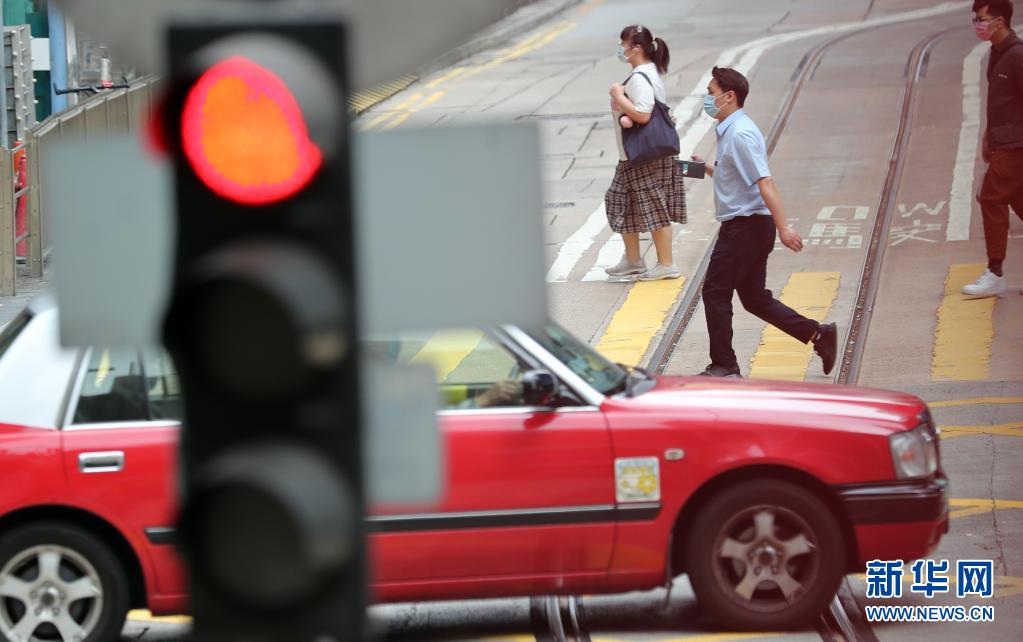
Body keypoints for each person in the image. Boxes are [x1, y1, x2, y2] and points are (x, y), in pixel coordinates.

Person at [691, 67, 836, 378]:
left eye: (711, 92)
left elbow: (764, 181)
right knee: (754, 299)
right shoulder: (731, 129)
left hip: (746, 227)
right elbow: (734, 175)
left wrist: (784, 227)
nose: (707, 98)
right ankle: (819, 334)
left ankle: (724, 364)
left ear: (729, 97)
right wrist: (704, 168)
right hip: (749, 226)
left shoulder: (739, 134)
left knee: (715, 292)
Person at [604, 24, 686, 281]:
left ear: (636, 48)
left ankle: (666, 264)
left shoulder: (640, 78)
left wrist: (618, 96)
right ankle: (633, 260)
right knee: (619, 201)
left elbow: (643, 113)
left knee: (654, 207)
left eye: (623, 44)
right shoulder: (643, 73)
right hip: (632, 155)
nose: (620, 48)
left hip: (645, 155)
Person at [962, 0, 1023, 298]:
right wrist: (989, 134)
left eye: (982, 19)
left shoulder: (1017, 56)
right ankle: (995, 272)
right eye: (975, 18)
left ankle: (995, 272)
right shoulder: (996, 52)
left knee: (991, 198)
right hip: (1004, 142)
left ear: (1000, 21)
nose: (977, 24)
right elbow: (1002, 103)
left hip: (1016, 146)